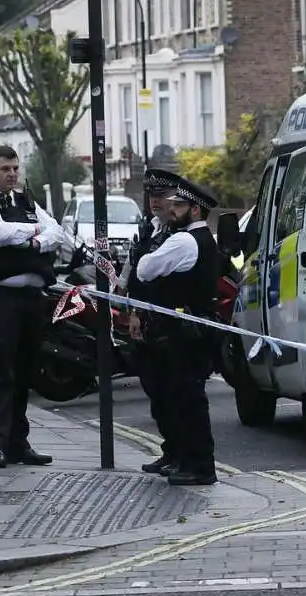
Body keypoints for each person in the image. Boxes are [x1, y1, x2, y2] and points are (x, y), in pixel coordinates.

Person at [0, 145, 64, 469]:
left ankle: (18, 443)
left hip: (32, 300)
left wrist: (32, 240)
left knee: (24, 373)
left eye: (16, 168)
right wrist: (35, 233)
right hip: (0, 300)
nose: (12, 174)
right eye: (5, 169)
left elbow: (57, 232)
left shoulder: (26, 202)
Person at [135, 176, 220, 486]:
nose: (172, 210)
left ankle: (200, 466)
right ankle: (187, 460)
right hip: (193, 330)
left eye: (179, 205)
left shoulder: (184, 241)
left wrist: (146, 258)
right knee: (182, 398)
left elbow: (145, 269)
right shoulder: (203, 239)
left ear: (195, 210)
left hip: (184, 334)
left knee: (188, 400)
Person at [118, 168, 182, 476]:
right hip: (144, 321)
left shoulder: (178, 234)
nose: (155, 202)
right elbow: (132, 276)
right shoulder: (148, 230)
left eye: (162, 196)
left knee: (173, 392)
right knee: (155, 392)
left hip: (169, 322)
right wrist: (132, 313)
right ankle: (170, 449)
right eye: (152, 196)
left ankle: (181, 453)